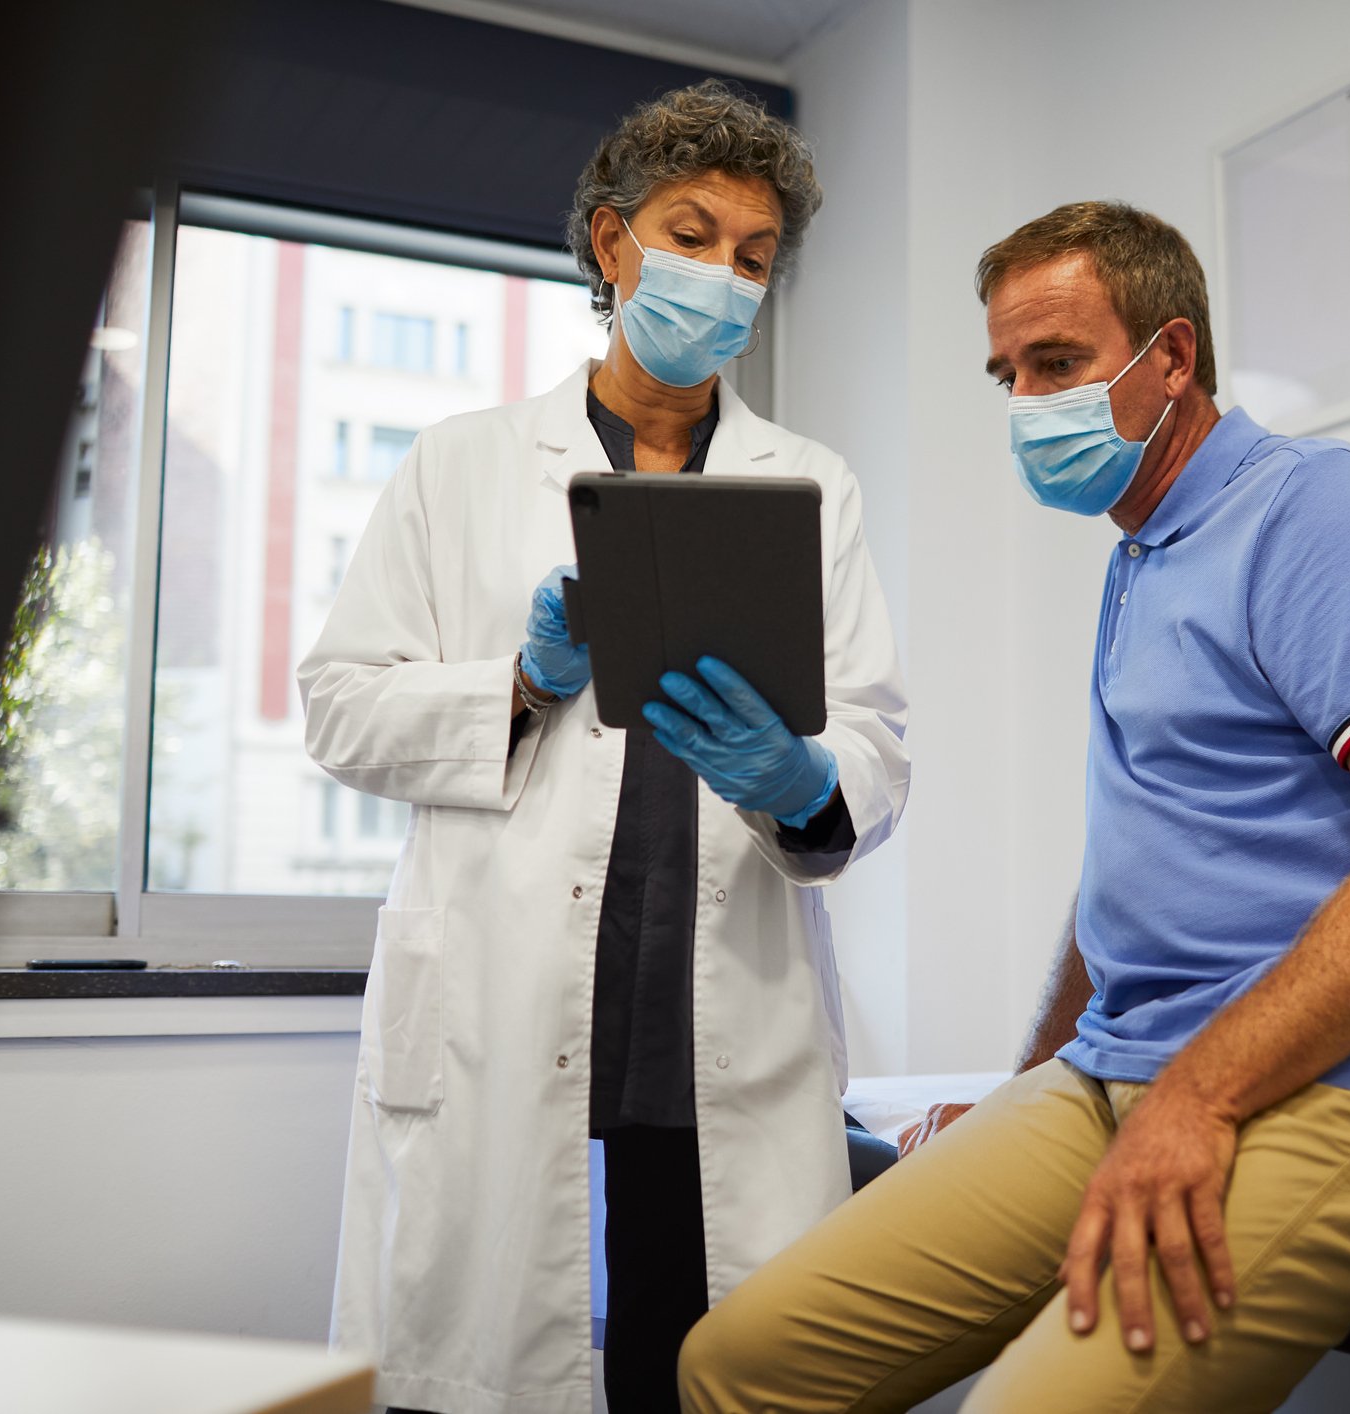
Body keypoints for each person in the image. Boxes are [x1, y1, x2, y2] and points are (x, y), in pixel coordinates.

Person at [676, 200, 1350, 1413]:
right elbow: (1144, 879)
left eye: (1059, 363)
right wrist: (1035, 1078)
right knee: (739, 1363)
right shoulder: (1146, 554)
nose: (1027, 401)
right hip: (1131, 1066)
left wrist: (1200, 1096)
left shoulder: (1319, 514)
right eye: (1007, 373)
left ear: (1174, 357)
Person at [298, 80, 908, 1414]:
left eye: (753, 259)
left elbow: (871, 734)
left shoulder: (809, 483)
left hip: (714, 1022)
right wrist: (519, 683)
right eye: (692, 235)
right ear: (610, 240)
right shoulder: (460, 465)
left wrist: (804, 784)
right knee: (485, 1359)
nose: (724, 278)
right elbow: (339, 703)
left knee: (688, 1370)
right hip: (504, 1003)